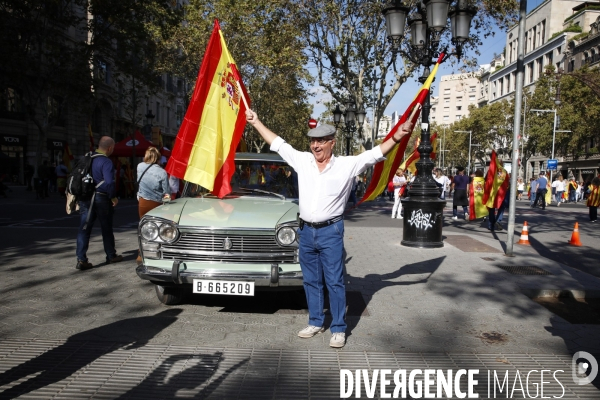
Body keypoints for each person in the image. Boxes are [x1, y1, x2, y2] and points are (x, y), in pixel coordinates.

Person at [246, 109, 413, 348]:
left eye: (321, 141)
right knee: (311, 280)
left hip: (331, 232)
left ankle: (338, 328)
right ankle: (315, 321)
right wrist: (256, 121)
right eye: (313, 141)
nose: (315, 146)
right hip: (305, 231)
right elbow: (278, 143)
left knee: (334, 281)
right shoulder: (302, 160)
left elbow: (376, 153)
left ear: (332, 143)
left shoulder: (348, 165)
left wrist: (398, 136)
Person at [75, 136, 123, 270]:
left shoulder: (87, 158)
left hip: (85, 197)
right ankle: (111, 255)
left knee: (84, 228)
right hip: (101, 198)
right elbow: (109, 182)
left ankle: (81, 259)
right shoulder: (106, 162)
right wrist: (113, 197)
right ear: (110, 148)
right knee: (106, 228)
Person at [137, 147, 171, 264]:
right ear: (158, 158)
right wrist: (168, 202)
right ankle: (156, 254)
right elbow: (166, 192)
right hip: (157, 203)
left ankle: (141, 254)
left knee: (144, 228)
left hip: (143, 202)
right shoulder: (162, 172)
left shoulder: (140, 167)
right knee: (157, 229)